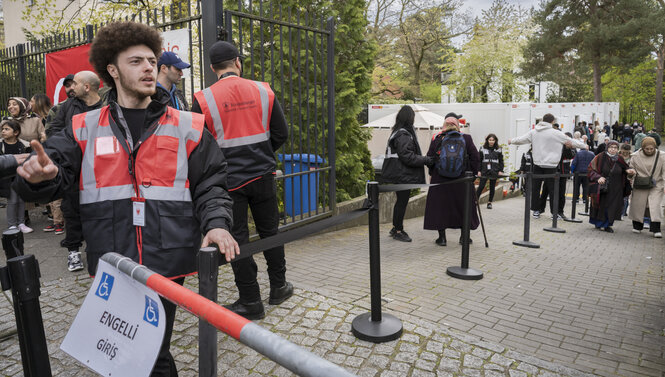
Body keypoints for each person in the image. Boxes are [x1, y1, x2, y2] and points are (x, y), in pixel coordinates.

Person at [14, 21, 239, 376]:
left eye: (151, 60)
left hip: (167, 258)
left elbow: (211, 183)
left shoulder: (188, 124)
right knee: (133, 350)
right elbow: (54, 166)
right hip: (113, 257)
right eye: (136, 61)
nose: (149, 67)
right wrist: (43, 177)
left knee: (151, 349)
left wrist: (216, 224)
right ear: (112, 70)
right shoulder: (81, 126)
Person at [192, 40, 291, 321]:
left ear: (213, 68)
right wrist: (260, 154)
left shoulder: (203, 99)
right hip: (263, 175)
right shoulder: (263, 90)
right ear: (238, 62)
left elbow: (199, 146)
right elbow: (280, 133)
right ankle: (279, 287)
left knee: (238, 240)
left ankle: (250, 300)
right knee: (270, 232)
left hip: (228, 182)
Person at [45, 70, 105, 271]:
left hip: (103, 169)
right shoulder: (68, 107)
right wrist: (67, 147)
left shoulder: (108, 106)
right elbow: (53, 130)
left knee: (101, 210)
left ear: (86, 87)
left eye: (75, 84)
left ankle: (101, 252)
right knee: (71, 210)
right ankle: (73, 252)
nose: (71, 88)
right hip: (74, 168)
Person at [508, 113, 587, 219]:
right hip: (551, 165)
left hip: (537, 164)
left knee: (536, 188)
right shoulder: (556, 133)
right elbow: (571, 142)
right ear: (552, 122)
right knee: (553, 190)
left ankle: (536, 210)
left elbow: (521, 139)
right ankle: (554, 213)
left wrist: (511, 141)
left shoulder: (534, 132)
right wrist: (584, 145)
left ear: (542, 120)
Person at [424, 114, 480, 246]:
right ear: (458, 125)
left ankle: (442, 239)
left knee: (440, 208)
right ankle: (464, 237)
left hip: (440, 179)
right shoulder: (466, 138)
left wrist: (433, 172)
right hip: (462, 180)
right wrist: (471, 175)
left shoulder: (437, 138)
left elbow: (429, 158)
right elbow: (475, 157)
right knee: (464, 207)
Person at [380, 105, 433, 242]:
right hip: (401, 174)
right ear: (410, 118)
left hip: (399, 173)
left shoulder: (397, 131)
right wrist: (426, 160)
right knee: (401, 202)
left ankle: (396, 227)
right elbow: (407, 156)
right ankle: (398, 230)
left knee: (400, 201)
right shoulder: (403, 134)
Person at [587, 141, 634, 233]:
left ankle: (607, 225)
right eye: (611, 147)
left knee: (612, 206)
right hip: (603, 187)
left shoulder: (620, 158)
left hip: (616, 187)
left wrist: (629, 171)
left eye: (615, 148)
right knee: (601, 205)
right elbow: (590, 169)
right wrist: (598, 177)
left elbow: (625, 168)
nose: (613, 149)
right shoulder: (600, 157)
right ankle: (599, 223)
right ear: (607, 148)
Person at [628, 137, 664, 238]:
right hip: (640, 183)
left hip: (656, 184)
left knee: (655, 206)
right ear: (642, 147)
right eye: (647, 149)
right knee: (638, 205)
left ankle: (656, 229)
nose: (649, 151)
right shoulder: (635, 156)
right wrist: (631, 173)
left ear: (655, 147)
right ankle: (637, 226)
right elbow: (632, 169)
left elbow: (664, 171)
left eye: (651, 149)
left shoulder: (662, 156)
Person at [1, 120, 32, 233]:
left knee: (21, 200)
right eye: (2, 129)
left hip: (21, 177)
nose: (3, 131)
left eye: (7, 129)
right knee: (12, 201)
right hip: (7, 179)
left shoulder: (24, 145)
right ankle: (12, 224)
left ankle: (21, 223)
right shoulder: (1, 145)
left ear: (16, 132)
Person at [476, 133, 504, 209]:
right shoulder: (482, 148)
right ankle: (475, 201)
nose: (491, 141)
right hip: (484, 170)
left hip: (494, 170)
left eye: (493, 140)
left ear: (495, 141)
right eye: (490, 140)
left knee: (492, 187)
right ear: (487, 140)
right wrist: (478, 170)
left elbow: (501, 161)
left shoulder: (498, 149)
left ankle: (489, 203)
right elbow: (479, 160)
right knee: (481, 186)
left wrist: (501, 170)